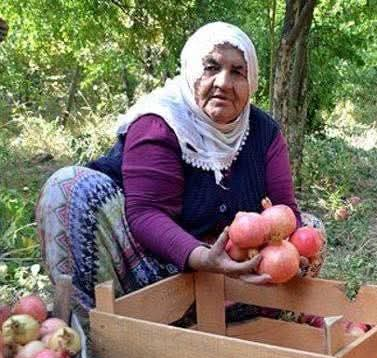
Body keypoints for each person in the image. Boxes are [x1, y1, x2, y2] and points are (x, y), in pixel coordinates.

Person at [35, 22, 325, 321]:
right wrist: (201, 256)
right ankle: (97, 335)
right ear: (190, 70)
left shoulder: (264, 133)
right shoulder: (160, 122)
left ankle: (252, 327)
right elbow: (146, 213)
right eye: (211, 67)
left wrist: (284, 247)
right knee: (70, 188)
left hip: (237, 270)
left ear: (251, 82)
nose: (223, 82)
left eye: (237, 72)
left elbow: (285, 210)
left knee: (313, 229)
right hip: (152, 269)